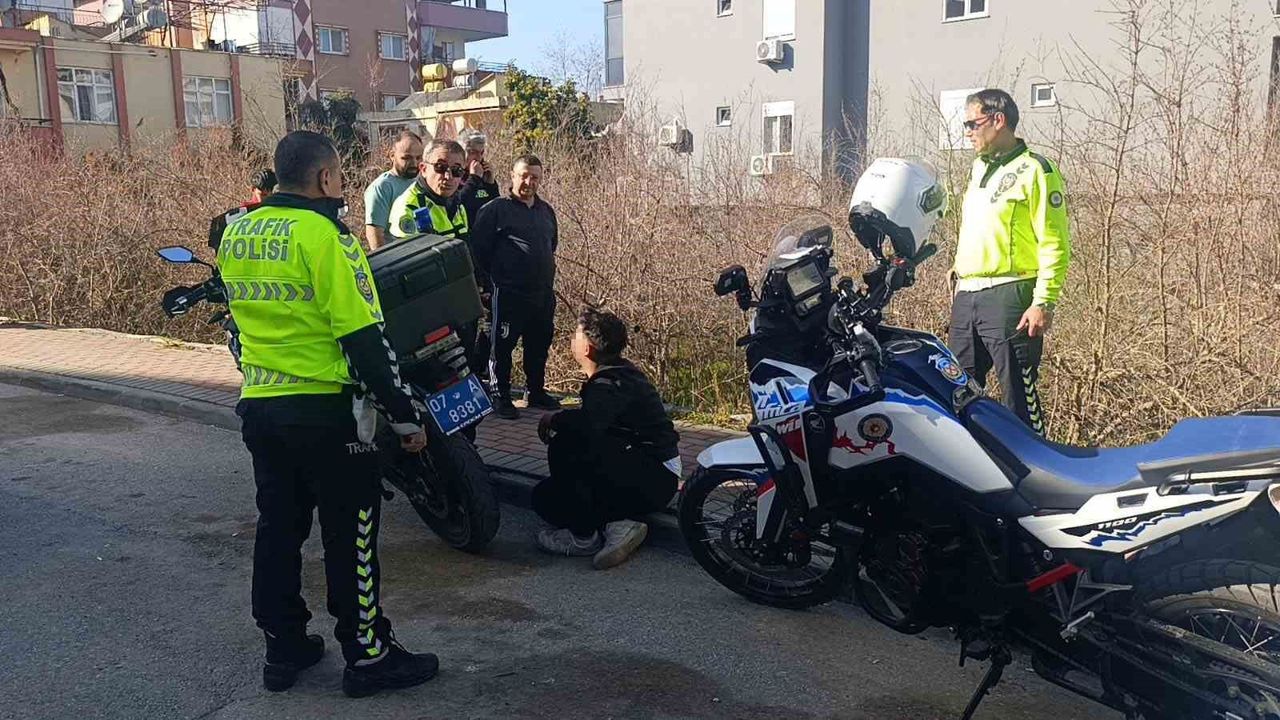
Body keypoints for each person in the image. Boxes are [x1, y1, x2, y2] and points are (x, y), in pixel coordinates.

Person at [217, 130, 438, 698]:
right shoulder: (328, 238)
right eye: (339, 176)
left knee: (279, 528)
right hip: (328, 414)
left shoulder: (238, 233)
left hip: (262, 408)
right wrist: (405, 417)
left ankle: (283, 645)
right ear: (324, 178)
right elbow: (364, 337)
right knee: (350, 535)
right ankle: (367, 655)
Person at [950, 88, 1071, 435]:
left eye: (972, 124)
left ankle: (1036, 464)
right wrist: (959, 269)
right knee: (955, 393)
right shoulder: (977, 169)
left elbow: (1055, 242)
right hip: (967, 296)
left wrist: (1043, 301)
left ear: (998, 120)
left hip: (1010, 295)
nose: (967, 132)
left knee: (1019, 397)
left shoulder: (1036, 169)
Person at [531, 307, 681, 570]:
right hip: (650, 474)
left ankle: (583, 537)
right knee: (546, 497)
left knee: (565, 443)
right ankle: (617, 524)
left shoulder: (609, 384)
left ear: (587, 348)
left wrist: (554, 420)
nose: (571, 341)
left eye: (575, 336)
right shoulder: (620, 373)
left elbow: (588, 426)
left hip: (653, 478)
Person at [471, 154, 560, 419]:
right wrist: (487, 284)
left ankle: (536, 391)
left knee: (539, 345)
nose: (529, 182)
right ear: (512, 175)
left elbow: (551, 245)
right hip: (508, 293)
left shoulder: (546, 211)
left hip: (542, 293)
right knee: (501, 347)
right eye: (524, 176)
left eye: (535, 177)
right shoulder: (495, 210)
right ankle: (500, 395)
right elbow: (479, 250)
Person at [387, 138, 468, 242]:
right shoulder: (409, 207)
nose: (448, 176)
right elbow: (409, 251)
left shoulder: (456, 202)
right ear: (423, 169)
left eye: (457, 170)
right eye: (440, 167)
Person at [363, 130, 423, 250]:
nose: (414, 163)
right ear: (392, 155)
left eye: (418, 158)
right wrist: (386, 260)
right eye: (407, 158)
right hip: (400, 256)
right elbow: (375, 235)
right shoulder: (382, 187)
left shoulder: (422, 181)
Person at [207, 168, 276, 251]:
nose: (267, 199)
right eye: (263, 195)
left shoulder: (277, 212)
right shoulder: (241, 214)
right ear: (253, 189)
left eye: (271, 195)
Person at [456, 130, 500, 223]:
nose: (479, 157)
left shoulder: (483, 174)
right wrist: (474, 178)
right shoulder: (454, 174)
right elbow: (457, 204)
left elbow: (496, 208)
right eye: (473, 152)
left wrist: (491, 184)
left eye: (481, 152)